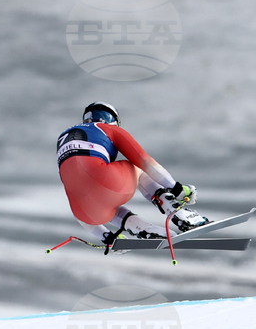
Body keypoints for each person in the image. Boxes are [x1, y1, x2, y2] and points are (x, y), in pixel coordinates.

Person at [56, 101, 210, 248]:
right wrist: (177, 188)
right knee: (136, 166)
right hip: (107, 182)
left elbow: (72, 190)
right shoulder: (105, 128)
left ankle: (142, 228)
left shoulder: (62, 139)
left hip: (84, 211)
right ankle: (179, 213)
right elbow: (146, 162)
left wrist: (105, 236)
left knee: (105, 206)